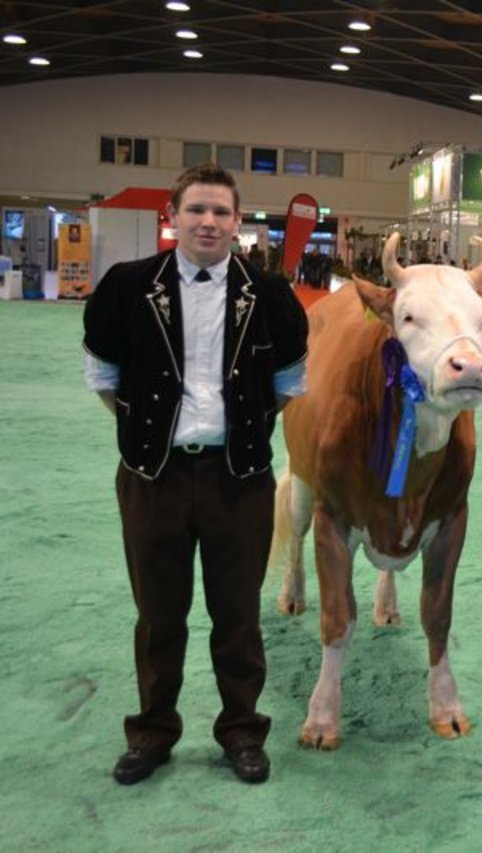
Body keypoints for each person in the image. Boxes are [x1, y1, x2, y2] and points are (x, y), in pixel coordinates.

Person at [82, 164, 308, 786]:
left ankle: (241, 731)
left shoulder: (270, 296)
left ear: (238, 223)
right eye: (196, 210)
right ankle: (153, 731)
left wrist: (232, 435)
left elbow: (287, 386)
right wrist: (149, 438)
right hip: (152, 478)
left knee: (238, 615)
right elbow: (104, 378)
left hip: (239, 480)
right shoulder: (127, 287)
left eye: (221, 213)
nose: (208, 222)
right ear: (173, 216)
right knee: (159, 614)